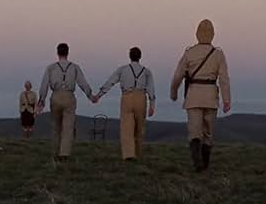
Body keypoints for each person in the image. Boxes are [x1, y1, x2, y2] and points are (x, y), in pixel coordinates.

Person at [169, 19, 231, 171]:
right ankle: (205, 163)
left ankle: (198, 163)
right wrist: (226, 100)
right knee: (208, 132)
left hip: (194, 96)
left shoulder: (189, 52)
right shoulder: (218, 54)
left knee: (194, 132)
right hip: (211, 97)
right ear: (213, 35)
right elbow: (224, 79)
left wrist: (174, 92)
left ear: (197, 34)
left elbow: (177, 76)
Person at [93, 47, 156, 161]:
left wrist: (99, 95)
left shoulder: (122, 69)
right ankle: (138, 152)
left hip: (126, 97)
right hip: (141, 98)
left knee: (126, 127)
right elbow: (151, 89)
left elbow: (111, 82)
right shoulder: (147, 72)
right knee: (139, 128)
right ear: (140, 56)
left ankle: (128, 155)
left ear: (130, 56)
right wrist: (152, 105)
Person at [37, 43, 95, 162]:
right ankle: (64, 153)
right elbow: (82, 83)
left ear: (57, 53)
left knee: (56, 126)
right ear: (68, 52)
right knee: (68, 127)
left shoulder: (51, 68)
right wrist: (90, 95)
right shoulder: (74, 67)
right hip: (69, 96)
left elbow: (44, 85)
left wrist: (41, 100)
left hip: (56, 96)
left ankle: (55, 152)